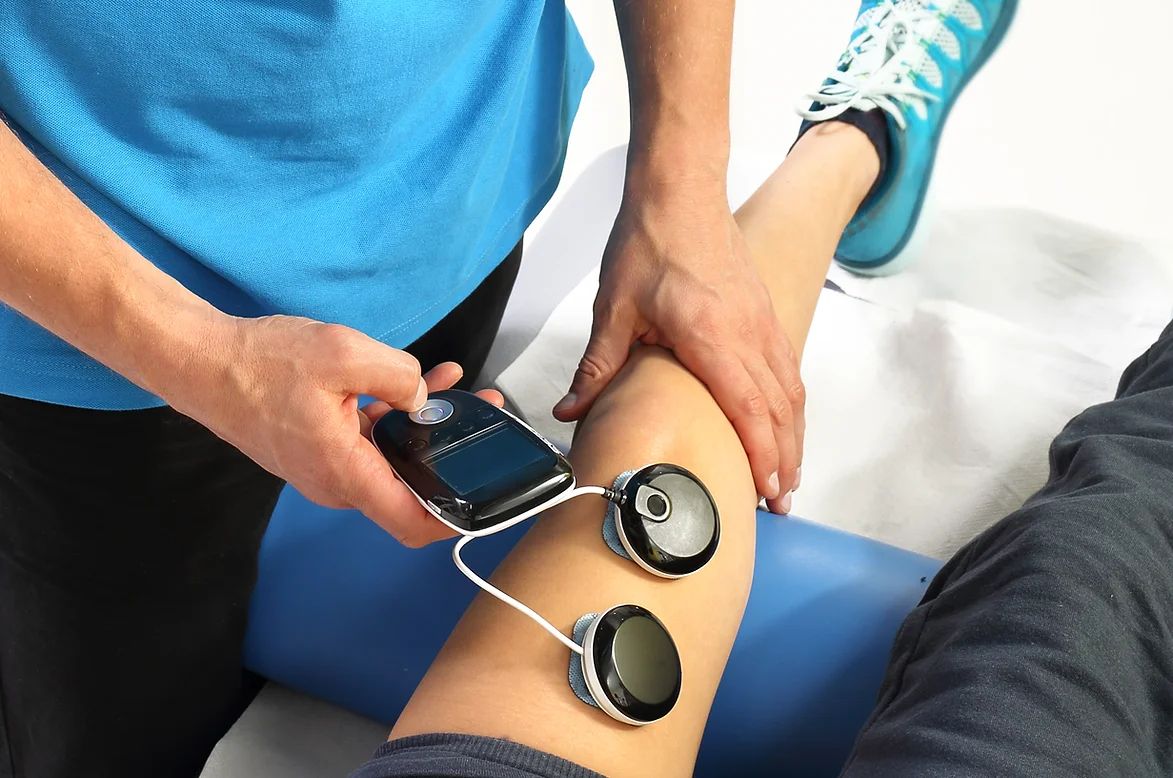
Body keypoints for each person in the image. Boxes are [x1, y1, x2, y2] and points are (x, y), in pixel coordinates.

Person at [0, 1, 1012, 776]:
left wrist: (679, 187)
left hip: (457, 184)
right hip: (95, 323)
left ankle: (853, 135)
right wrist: (199, 353)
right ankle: (852, 138)